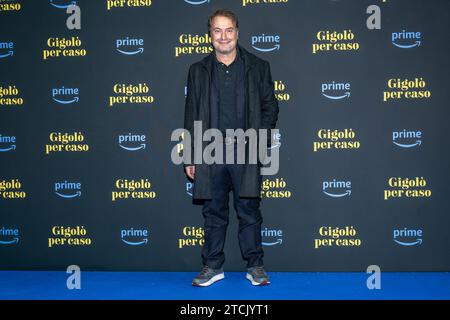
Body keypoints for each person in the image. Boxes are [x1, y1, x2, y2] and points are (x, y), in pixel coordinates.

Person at [183, 8, 279, 286]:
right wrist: (190, 154)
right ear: (210, 35)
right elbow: (190, 114)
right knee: (213, 213)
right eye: (217, 30)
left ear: (237, 32)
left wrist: (260, 138)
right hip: (209, 151)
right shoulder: (197, 71)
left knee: (249, 210)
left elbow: (270, 106)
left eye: (228, 30)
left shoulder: (259, 67)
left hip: (246, 151)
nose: (223, 36)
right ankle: (212, 266)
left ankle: (255, 266)